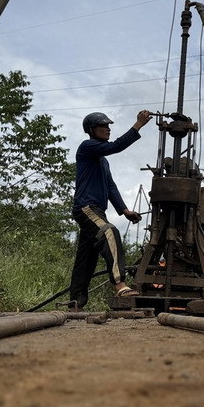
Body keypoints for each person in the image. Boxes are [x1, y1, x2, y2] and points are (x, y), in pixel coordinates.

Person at [69, 109, 152, 311]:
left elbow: (111, 186)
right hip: (86, 208)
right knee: (109, 232)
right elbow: (116, 146)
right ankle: (120, 285)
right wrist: (138, 124)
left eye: (109, 126)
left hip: (98, 210)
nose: (108, 129)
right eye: (103, 126)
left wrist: (124, 210)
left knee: (86, 259)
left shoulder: (102, 161)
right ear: (91, 130)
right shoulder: (87, 147)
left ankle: (75, 305)